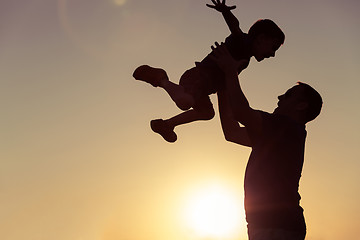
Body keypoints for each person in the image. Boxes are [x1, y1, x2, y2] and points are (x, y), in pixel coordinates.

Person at [211, 43, 323, 240]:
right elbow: (232, 132)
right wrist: (222, 86)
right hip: (269, 225)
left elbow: (241, 112)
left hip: (277, 225)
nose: (279, 97)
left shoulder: (285, 127)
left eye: (288, 95)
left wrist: (230, 72)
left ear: (301, 106)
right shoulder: (277, 134)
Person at [132, 0, 285, 142]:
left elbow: (226, 83)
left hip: (206, 88)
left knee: (207, 113)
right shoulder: (242, 43)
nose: (272, 54)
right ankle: (161, 79)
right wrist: (225, 12)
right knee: (185, 102)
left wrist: (232, 103)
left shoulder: (245, 59)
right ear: (261, 38)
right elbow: (235, 28)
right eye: (273, 47)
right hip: (198, 77)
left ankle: (167, 124)